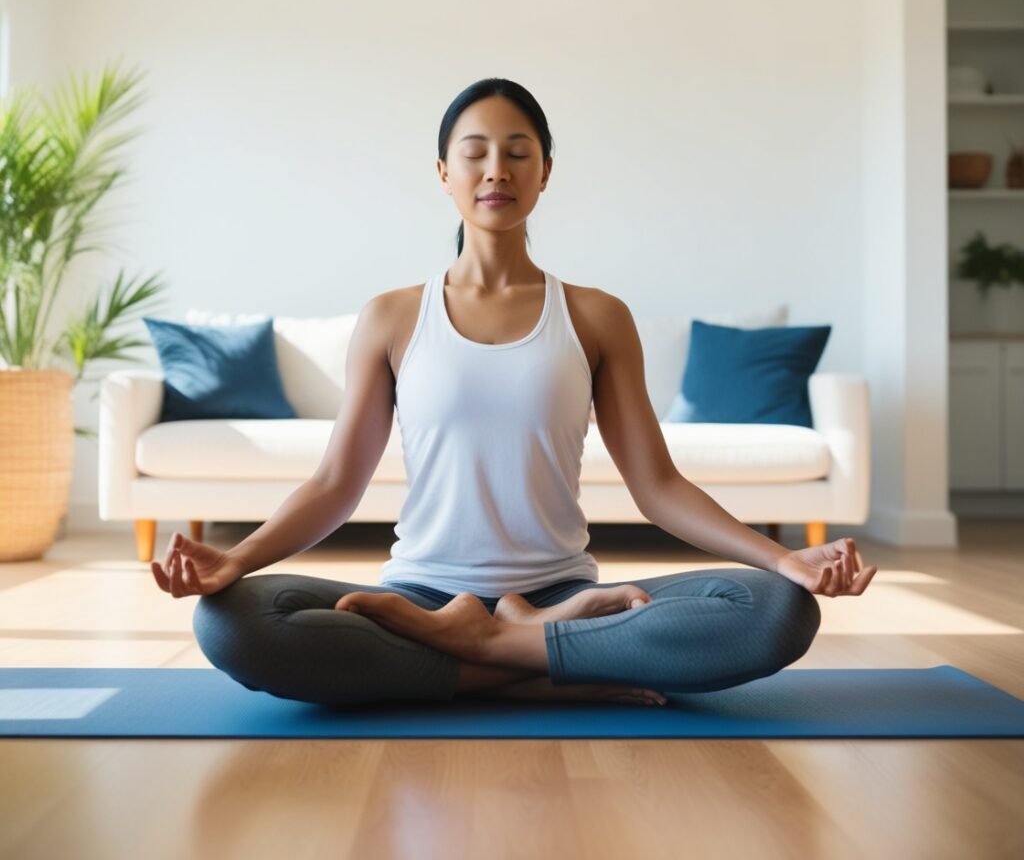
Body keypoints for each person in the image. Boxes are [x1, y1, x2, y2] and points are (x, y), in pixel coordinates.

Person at [152, 77, 877, 709]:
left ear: (545, 172)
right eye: (474, 151)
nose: (495, 168)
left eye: (517, 151)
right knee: (232, 622)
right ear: (443, 171)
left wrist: (783, 561)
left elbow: (657, 485)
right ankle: (527, 667)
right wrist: (237, 560)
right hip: (417, 598)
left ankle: (485, 649)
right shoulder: (392, 317)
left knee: (774, 612)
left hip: (565, 602)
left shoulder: (596, 316)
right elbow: (338, 483)